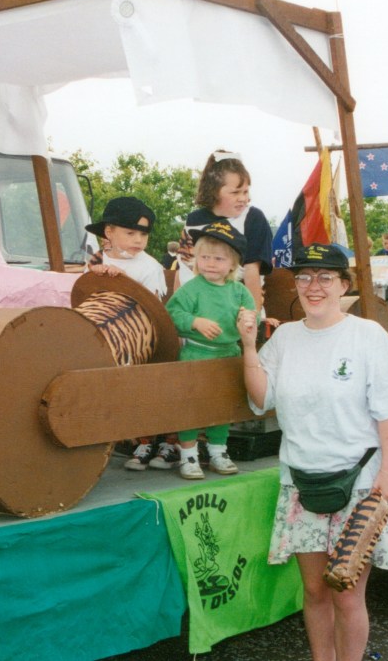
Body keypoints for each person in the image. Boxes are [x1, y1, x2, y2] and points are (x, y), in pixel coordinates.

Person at [237, 243, 388, 661]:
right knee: (315, 590)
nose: (313, 286)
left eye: (324, 278)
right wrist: (248, 346)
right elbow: (261, 398)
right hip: (301, 482)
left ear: (343, 285)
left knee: (346, 591)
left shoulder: (368, 336)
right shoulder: (284, 337)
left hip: (360, 481)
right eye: (304, 277)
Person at [84, 196, 175, 470]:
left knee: (138, 384)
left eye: (143, 235)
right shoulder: (94, 261)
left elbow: (153, 311)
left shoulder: (149, 267)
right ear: (109, 232)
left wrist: (122, 281)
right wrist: (94, 274)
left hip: (136, 340)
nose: (138, 240)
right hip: (96, 336)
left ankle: (146, 439)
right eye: (130, 233)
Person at [166, 222, 255, 480]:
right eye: (204, 257)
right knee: (190, 407)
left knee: (222, 406)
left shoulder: (239, 292)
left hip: (228, 356)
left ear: (233, 264)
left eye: (219, 259)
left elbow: (252, 316)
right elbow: (171, 314)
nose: (210, 264)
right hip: (196, 355)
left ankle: (218, 451)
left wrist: (248, 320)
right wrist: (194, 322)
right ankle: (188, 455)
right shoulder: (191, 289)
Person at [175, 150, 272, 314]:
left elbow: (252, 271)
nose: (243, 198)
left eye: (245, 191)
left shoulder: (252, 218)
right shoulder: (193, 221)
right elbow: (183, 270)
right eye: (235, 192)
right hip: (196, 311)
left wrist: (253, 316)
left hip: (235, 310)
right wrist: (177, 313)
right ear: (214, 191)